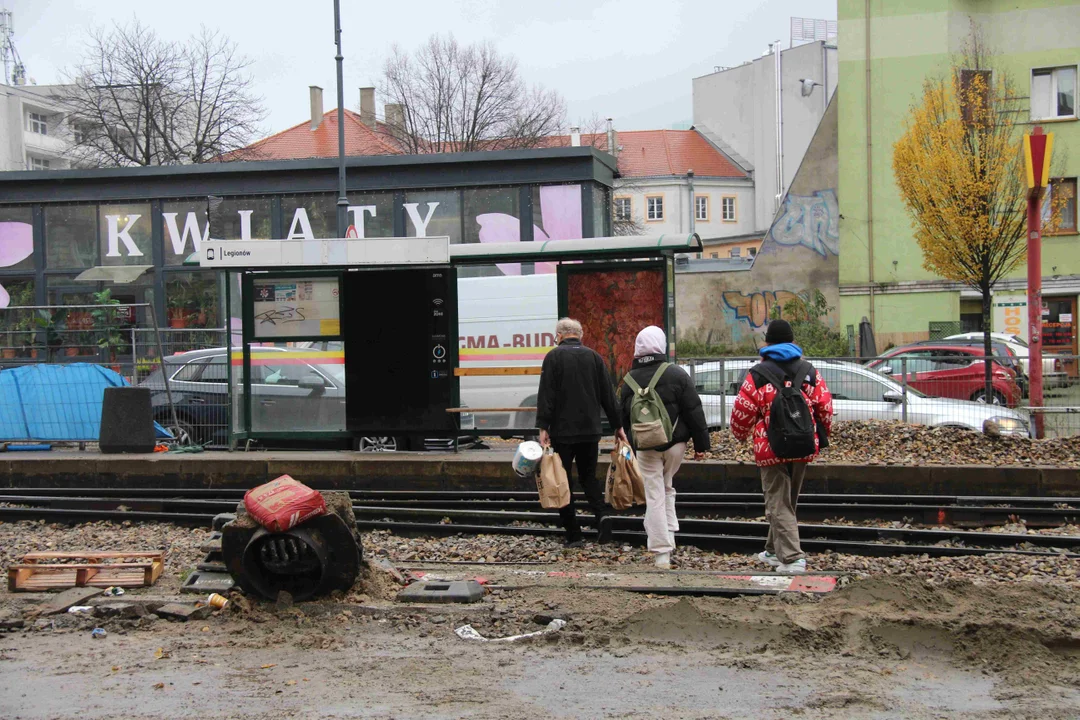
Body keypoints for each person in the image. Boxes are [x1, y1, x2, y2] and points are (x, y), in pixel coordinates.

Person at [730, 319, 833, 574]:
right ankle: (773, 551)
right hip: (803, 444)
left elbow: (741, 413)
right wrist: (820, 435)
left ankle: (793, 558)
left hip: (771, 448)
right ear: (792, 341)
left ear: (768, 343)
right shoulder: (808, 371)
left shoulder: (758, 373)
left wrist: (740, 434)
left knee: (778, 503)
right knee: (787, 501)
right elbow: (826, 408)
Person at [619, 326, 710, 569]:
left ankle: (661, 553)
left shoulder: (629, 380)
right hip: (675, 445)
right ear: (660, 345)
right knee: (666, 484)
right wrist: (701, 445)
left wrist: (634, 441)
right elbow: (694, 411)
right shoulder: (676, 374)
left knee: (654, 494)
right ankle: (669, 533)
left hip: (645, 447)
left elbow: (624, 418)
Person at [536, 317, 627, 547]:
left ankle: (574, 534)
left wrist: (543, 426)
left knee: (562, 480)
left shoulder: (553, 357)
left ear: (558, 335)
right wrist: (618, 426)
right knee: (589, 478)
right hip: (590, 431)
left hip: (562, 432)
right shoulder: (594, 357)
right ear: (580, 335)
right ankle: (602, 517)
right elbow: (608, 395)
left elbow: (546, 395)